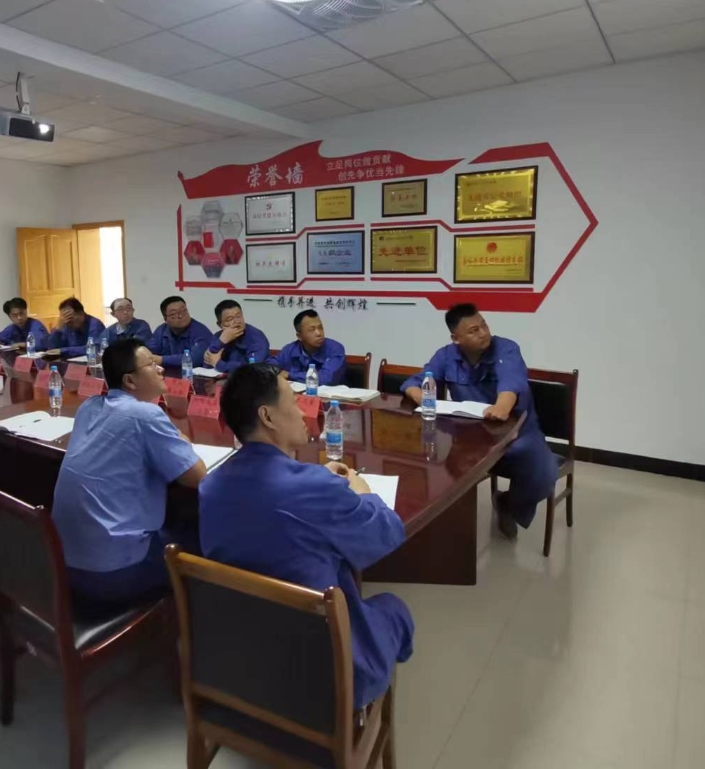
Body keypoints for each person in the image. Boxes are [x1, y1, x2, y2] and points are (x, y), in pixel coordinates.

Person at [201, 364, 413, 709]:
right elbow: (384, 534)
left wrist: (317, 480)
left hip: (241, 657)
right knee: (393, 608)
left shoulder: (210, 486)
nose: (303, 411)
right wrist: (363, 492)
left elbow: (274, 497)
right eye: (293, 402)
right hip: (317, 669)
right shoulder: (314, 487)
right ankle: (360, 709)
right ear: (268, 416)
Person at [51, 339, 207, 603]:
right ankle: (187, 622)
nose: (160, 369)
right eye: (151, 364)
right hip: (112, 573)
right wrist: (181, 440)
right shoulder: (146, 415)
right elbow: (197, 477)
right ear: (130, 381)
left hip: (62, 562)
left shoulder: (89, 407)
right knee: (202, 540)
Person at [400, 303, 558, 539]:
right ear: (456, 338)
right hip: (469, 437)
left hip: (518, 433)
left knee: (544, 474)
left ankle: (507, 503)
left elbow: (511, 383)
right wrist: (422, 396)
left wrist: (502, 407)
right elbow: (415, 382)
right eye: (474, 330)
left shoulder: (506, 349)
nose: (484, 333)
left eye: (484, 325)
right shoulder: (446, 356)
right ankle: (446, 535)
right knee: (436, 466)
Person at [274, 309, 347, 386]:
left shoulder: (335, 349)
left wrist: (289, 375)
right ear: (299, 336)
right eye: (312, 330)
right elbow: (270, 366)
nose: (318, 333)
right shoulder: (289, 350)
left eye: (320, 328)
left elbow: (325, 379)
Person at [204, 299, 270, 372]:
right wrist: (221, 342)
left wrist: (219, 365)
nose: (237, 321)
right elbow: (207, 365)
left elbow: (251, 369)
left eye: (239, 316)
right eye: (230, 319)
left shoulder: (257, 338)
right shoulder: (219, 336)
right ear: (220, 325)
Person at [147, 296, 213, 367]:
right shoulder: (161, 330)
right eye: (174, 314)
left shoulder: (200, 331)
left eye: (184, 311)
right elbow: (149, 352)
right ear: (165, 319)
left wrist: (162, 360)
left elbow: (194, 359)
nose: (180, 316)